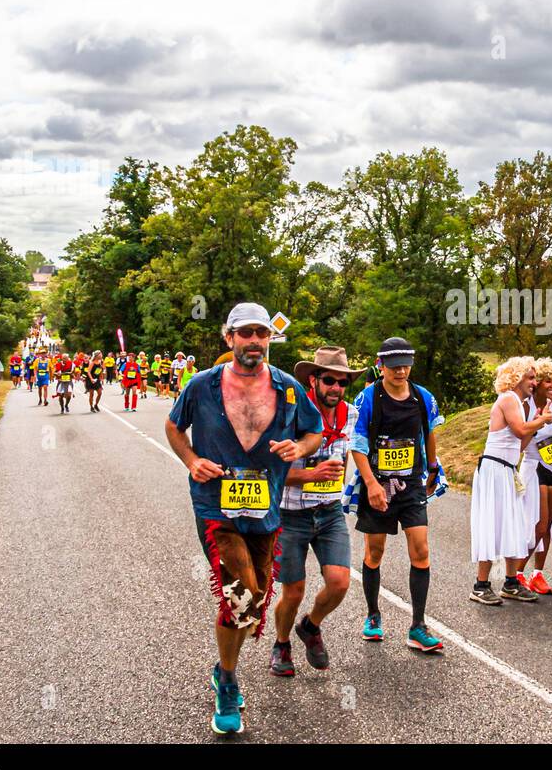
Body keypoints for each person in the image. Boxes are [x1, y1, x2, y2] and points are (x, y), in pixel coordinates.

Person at [165, 303, 322, 735]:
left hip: (266, 507)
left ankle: (223, 668)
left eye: (262, 333)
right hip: (216, 507)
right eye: (245, 333)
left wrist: (300, 449)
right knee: (242, 594)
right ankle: (229, 685)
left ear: (270, 338)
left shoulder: (289, 388)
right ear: (228, 337)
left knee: (253, 602)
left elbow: (313, 431)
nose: (254, 340)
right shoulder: (202, 385)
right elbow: (174, 427)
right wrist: (192, 460)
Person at [268, 346, 359, 677]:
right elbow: (272, 472)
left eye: (342, 382)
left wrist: (338, 487)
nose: (336, 388)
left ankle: (310, 626)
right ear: (313, 379)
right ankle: (281, 644)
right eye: (329, 380)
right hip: (291, 515)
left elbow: (344, 454)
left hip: (329, 512)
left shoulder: (349, 413)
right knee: (293, 591)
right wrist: (310, 475)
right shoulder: (291, 414)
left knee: (339, 583)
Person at [349, 337, 445, 652]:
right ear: (382, 366)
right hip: (377, 484)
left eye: (405, 365)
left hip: (412, 485)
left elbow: (428, 433)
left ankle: (417, 626)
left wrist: (432, 469)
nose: (400, 371)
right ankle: (373, 614)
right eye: (394, 367)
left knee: (421, 550)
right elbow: (358, 445)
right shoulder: (369, 398)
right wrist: (371, 484)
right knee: (374, 553)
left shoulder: (422, 397)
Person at [469, 357, 549, 605]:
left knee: (513, 522)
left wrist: (534, 424)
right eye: (531, 378)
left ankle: (511, 582)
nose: (534, 383)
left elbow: (521, 443)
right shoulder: (507, 399)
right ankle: (481, 585)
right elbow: (520, 430)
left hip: (507, 469)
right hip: (494, 469)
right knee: (492, 524)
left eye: (535, 378)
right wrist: (541, 421)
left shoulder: (520, 404)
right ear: (516, 378)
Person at [515, 357, 552, 595]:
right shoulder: (525, 406)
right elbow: (520, 438)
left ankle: (538, 574)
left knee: (548, 525)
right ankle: (516, 574)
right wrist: (537, 422)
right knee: (537, 525)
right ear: (536, 383)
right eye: (547, 381)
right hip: (535, 466)